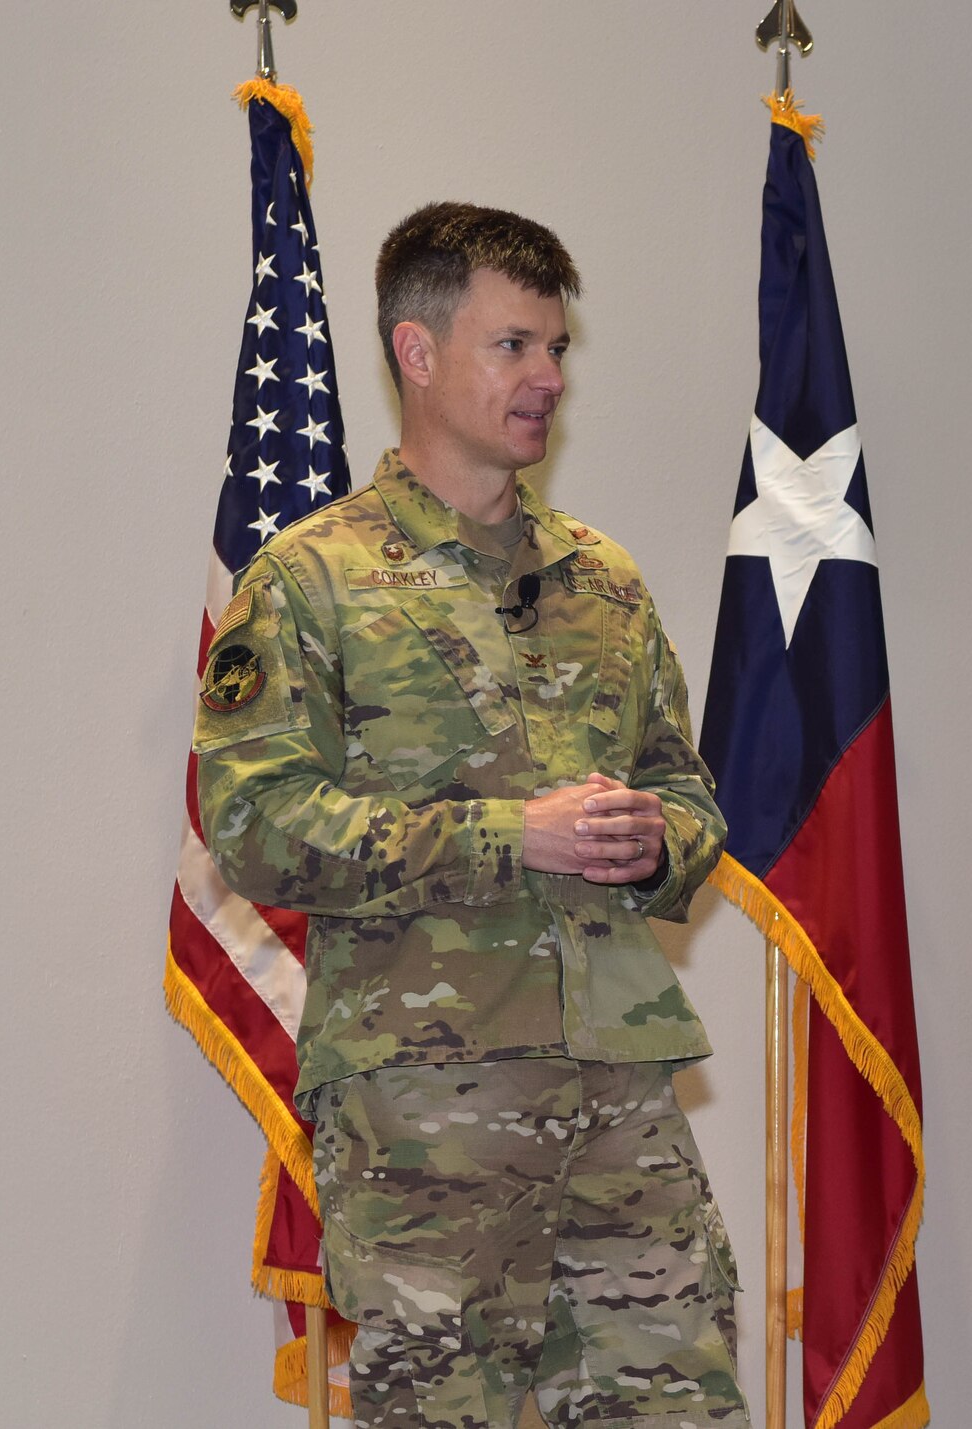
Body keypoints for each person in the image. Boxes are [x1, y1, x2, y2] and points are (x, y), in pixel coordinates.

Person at [194, 201, 745, 1428]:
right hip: (424, 1122)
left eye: (557, 348)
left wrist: (660, 839)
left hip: (621, 1099)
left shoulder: (603, 579)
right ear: (418, 350)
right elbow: (253, 823)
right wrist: (509, 835)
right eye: (515, 346)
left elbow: (686, 785)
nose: (548, 377)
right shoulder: (312, 582)